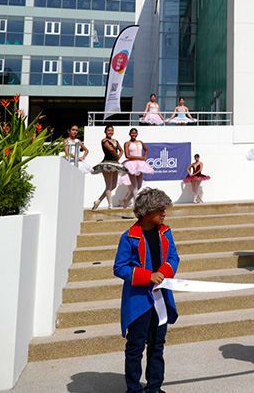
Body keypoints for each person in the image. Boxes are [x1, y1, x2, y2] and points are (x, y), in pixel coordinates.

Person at [112, 188, 179, 393]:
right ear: (146, 212)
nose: (164, 213)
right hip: (139, 301)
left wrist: (163, 272)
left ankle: (154, 388)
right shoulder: (129, 237)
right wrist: (147, 276)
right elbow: (120, 267)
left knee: (157, 345)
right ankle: (133, 389)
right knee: (135, 347)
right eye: (160, 210)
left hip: (161, 299)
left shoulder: (165, 232)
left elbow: (173, 258)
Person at [92, 125, 127, 210]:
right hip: (107, 163)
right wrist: (116, 155)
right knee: (108, 185)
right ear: (105, 132)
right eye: (108, 130)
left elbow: (121, 150)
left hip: (115, 163)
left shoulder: (115, 141)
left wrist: (118, 156)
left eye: (112, 130)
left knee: (114, 185)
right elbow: (111, 149)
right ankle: (110, 204)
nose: (110, 132)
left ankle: (98, 201)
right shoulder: (104, 140)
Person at [120, 128, 155, 208]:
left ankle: (127, 200)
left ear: (137, 134)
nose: (133, 134)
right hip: (131, 164)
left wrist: (144, 157)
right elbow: (127, 155)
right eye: (132, 133)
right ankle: (137, 203)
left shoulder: (140, 142)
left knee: (139, 185)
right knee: (134, 185)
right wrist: (140, 158)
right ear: (129, 134)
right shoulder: (127, 143)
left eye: (135, 133)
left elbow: (146, 150)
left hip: (140, 164)